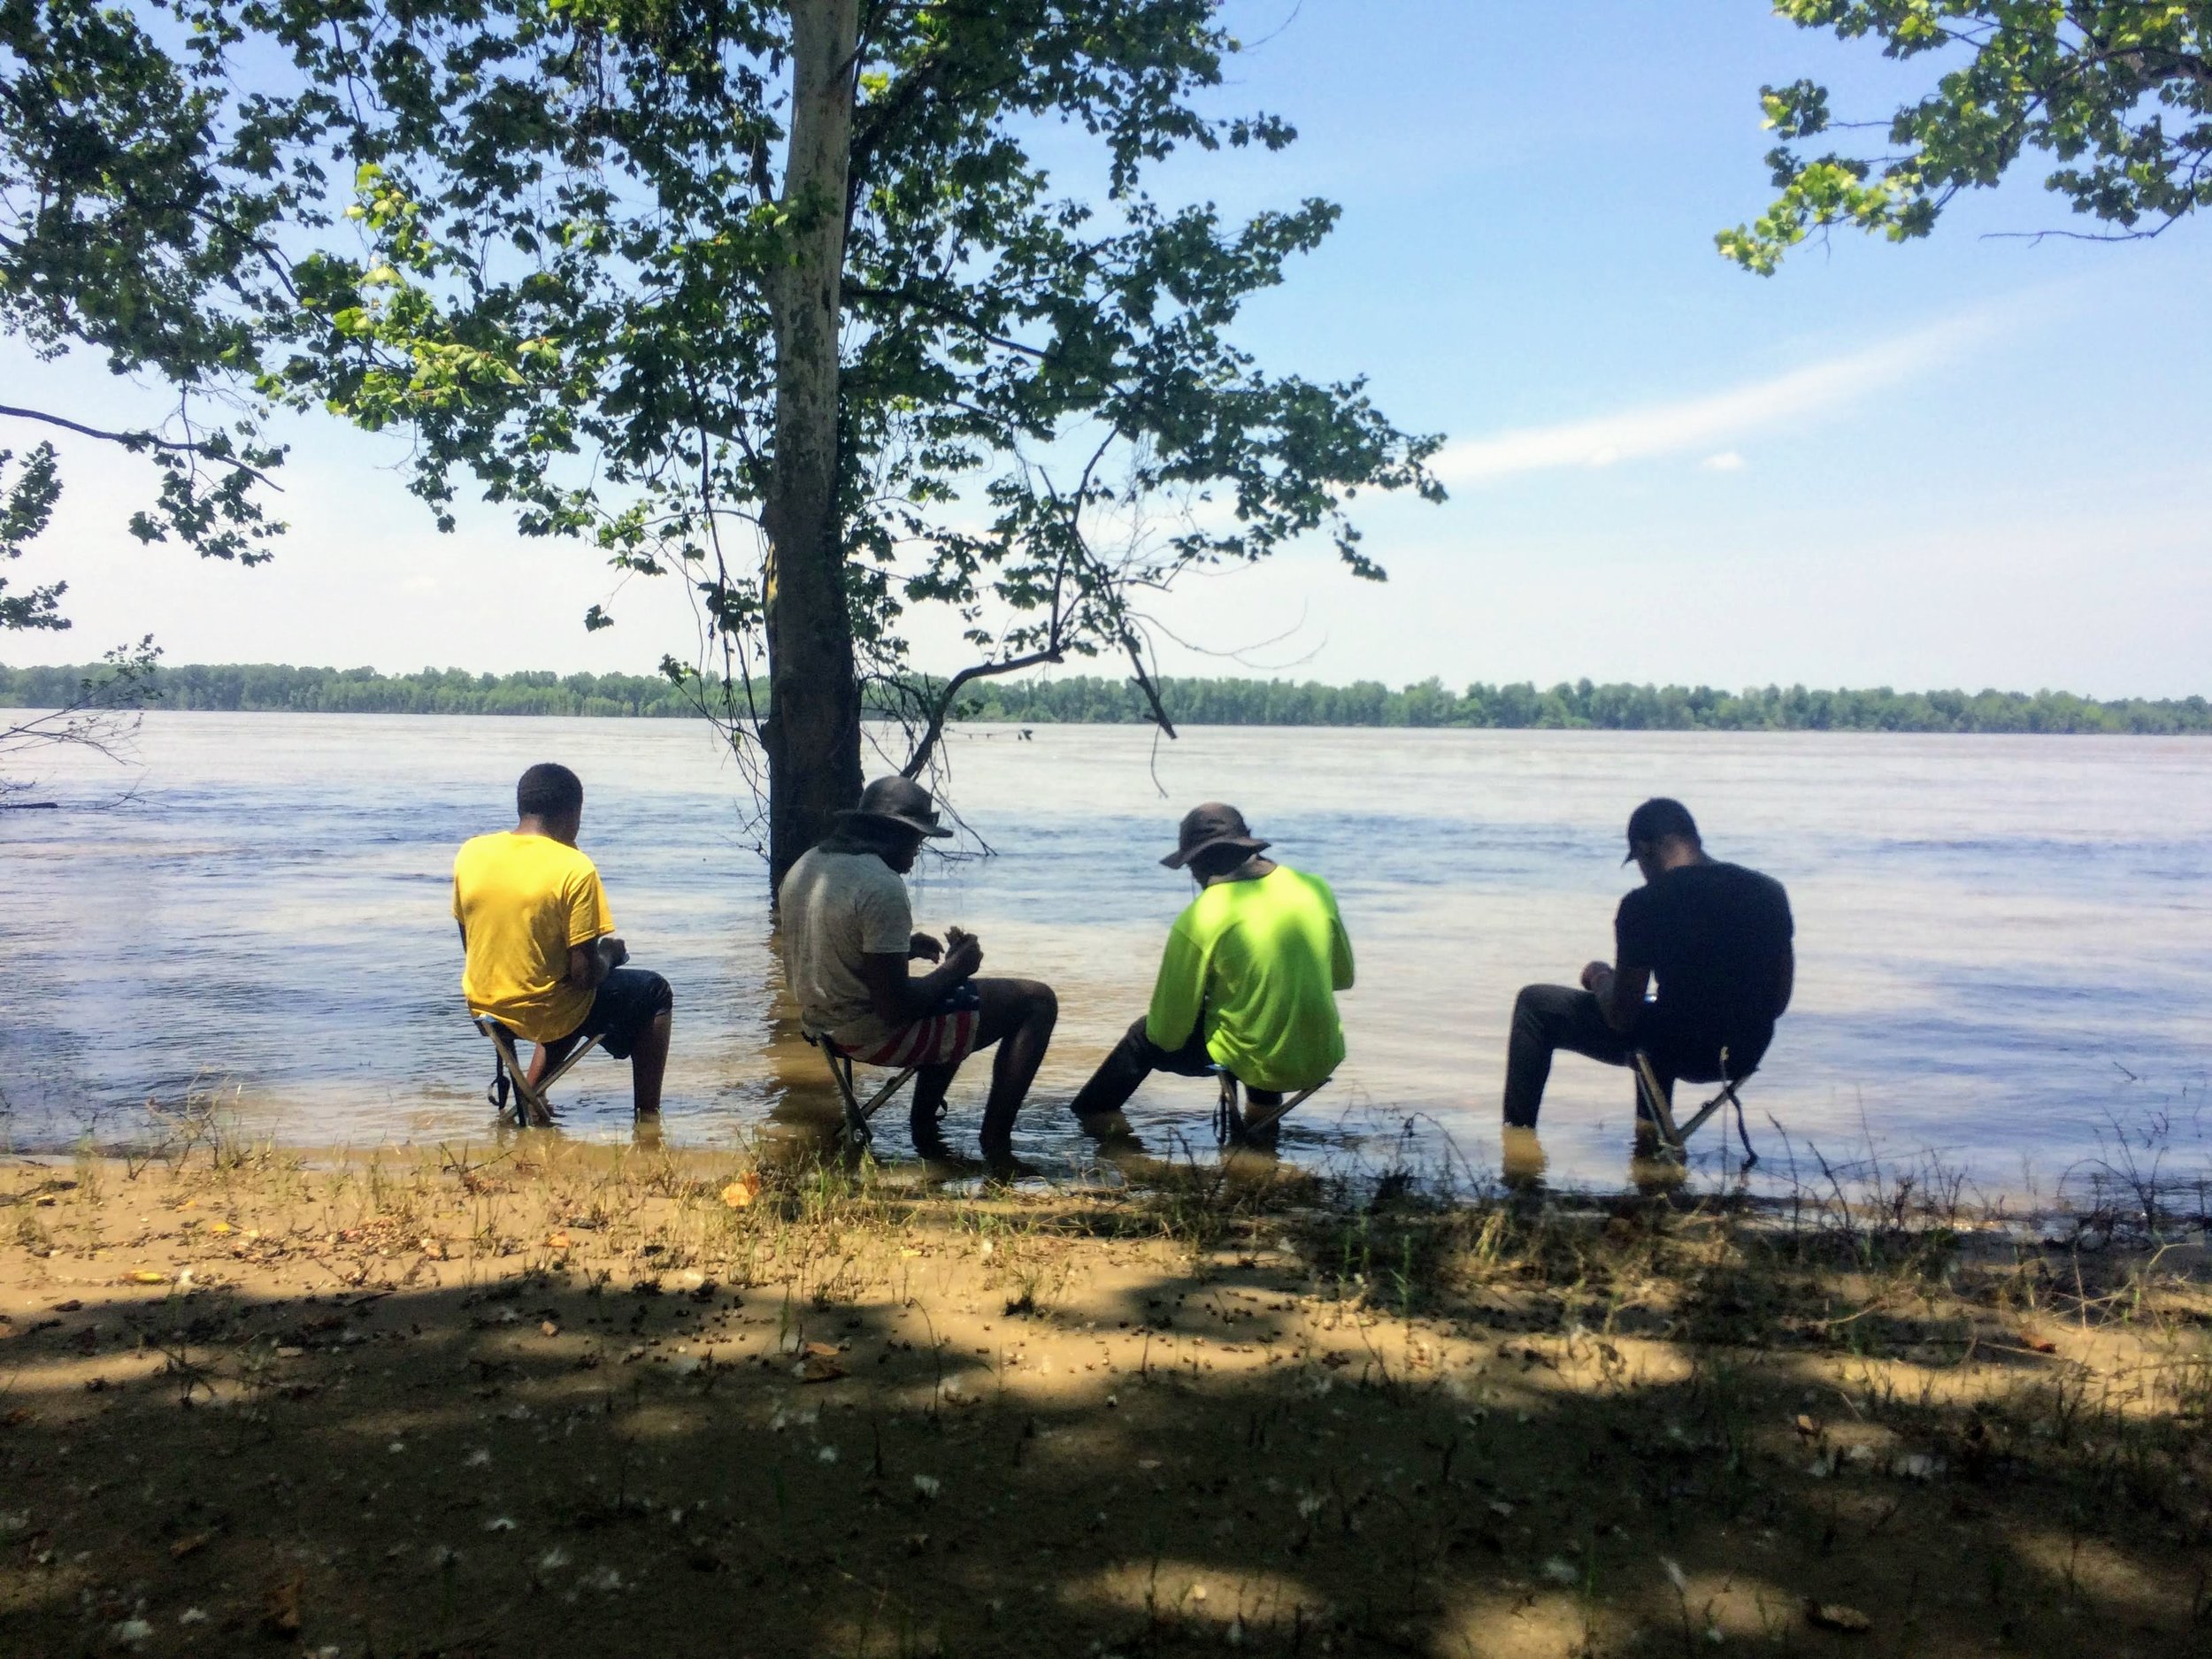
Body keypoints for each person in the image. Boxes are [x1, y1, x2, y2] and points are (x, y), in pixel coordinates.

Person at [778, 775, 1057, 1156]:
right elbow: (896, 1009)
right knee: (1037, 1001)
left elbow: (830, 947)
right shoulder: (881, 886)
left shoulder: (808, 865)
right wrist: (957, 967)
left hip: (823, 1027)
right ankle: (996, 1142)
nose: (917, 851)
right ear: (893, 833)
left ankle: (924, 1126)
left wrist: (902, 950)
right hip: (872, 1035)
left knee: (957, 999)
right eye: (917, 840)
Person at [1502, 797, 1792, 1134]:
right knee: (1662, 1018)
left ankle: (1517, 1145)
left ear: (1645, 849)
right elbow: (1778, 1001)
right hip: (1746, 1050)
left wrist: (1599, 977)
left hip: (1678, 1048)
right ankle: (1650, 1149)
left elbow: (1620, 1017)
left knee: (1535, 1004)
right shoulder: (1768, 892)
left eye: (1638, 860)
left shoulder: (1643, 905)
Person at [1070, 803, 1353, 1132]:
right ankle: (1261, 1134)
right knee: (1256, 1013)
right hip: (1319, 1054)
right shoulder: (1315, 888)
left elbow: (1167, 1034)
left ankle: (1088, 1121)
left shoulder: (1202, 916)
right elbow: (1342, 978)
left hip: (1255, 1057)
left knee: (1142, 1037)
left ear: (1198, 863)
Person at [454, 762, 673, 1117]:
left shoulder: (472, 854)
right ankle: (648, 1117)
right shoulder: (574, 867)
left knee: (554, 982)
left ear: (522, 807)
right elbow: (585, 976)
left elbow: (472, 942)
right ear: (574, 812)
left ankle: (531, 1090)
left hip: (486, 1008)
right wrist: (609, 955)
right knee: (653, 991)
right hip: (546, 1010)